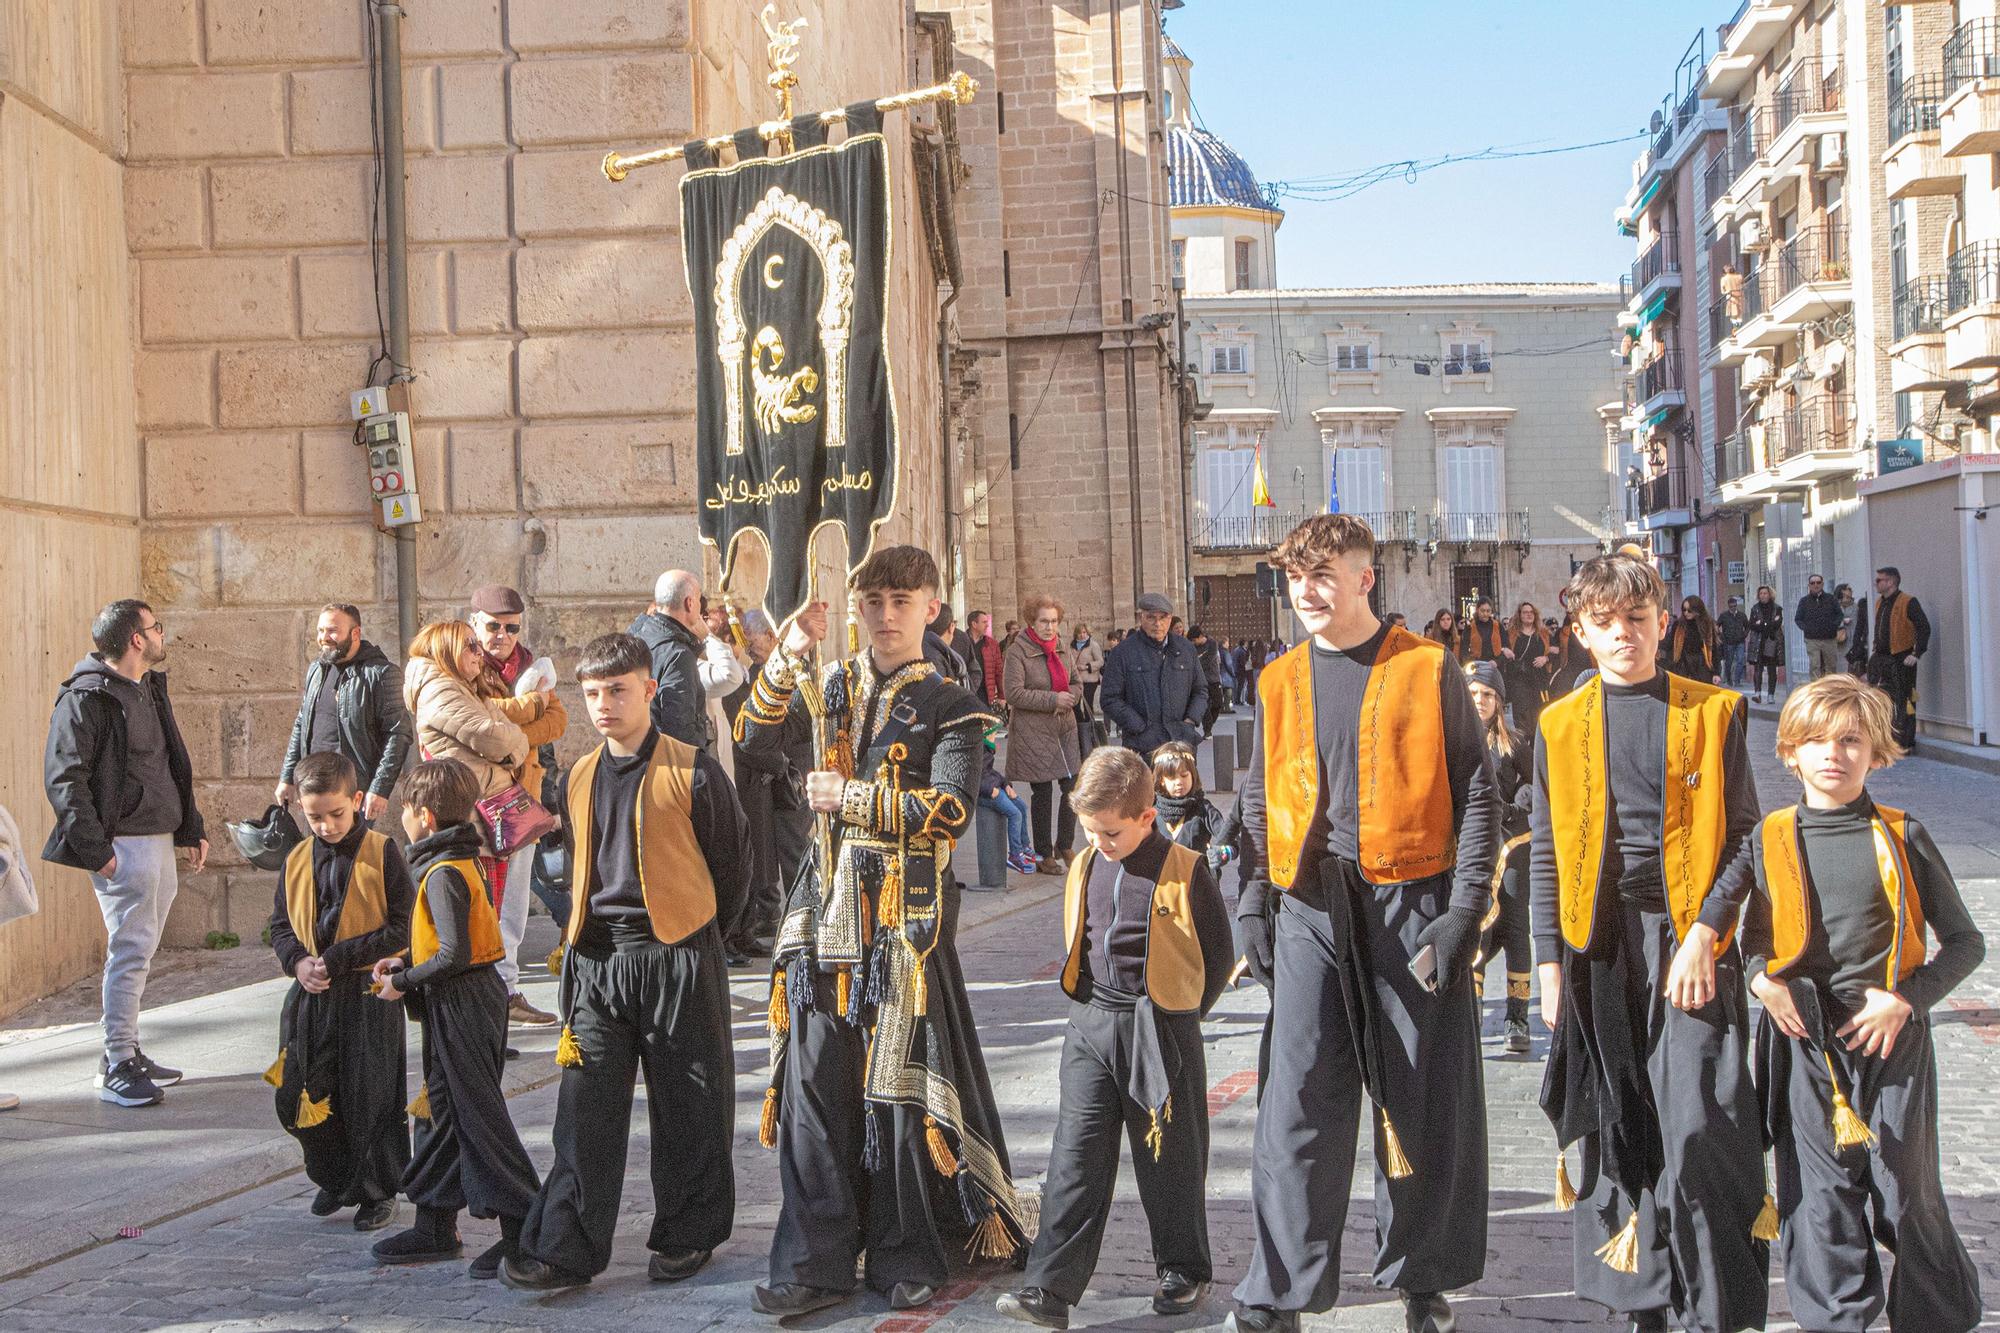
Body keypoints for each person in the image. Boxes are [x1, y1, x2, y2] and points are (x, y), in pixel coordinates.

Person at [738, 546, 1028, 1318]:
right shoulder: (828, 683)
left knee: (893, 1091)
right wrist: (786, 655)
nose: (888, 614)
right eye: (874, 600)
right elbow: (753, 738)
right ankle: (813, 1258)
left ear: (932, 605)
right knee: (812, 1089)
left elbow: (952, 810)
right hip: (821, 918)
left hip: (904, 923)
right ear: (857, 606)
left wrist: (855, 798)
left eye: (903, 599)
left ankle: (905, 1253)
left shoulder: (954, 703)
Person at [1227, 514, 1497, 1333]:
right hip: (1312, 905)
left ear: (1362, 578)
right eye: (1294, 577)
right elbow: (1254, 799)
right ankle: (1280, 1287)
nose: (1306, 592)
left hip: (1412, 903)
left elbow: (1478, 792)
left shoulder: (1428, 667)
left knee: (1419, 1097)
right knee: (1297, 1100)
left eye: (1322, 575)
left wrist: (1462, 915)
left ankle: (1424, 1279)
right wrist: (1250, 901)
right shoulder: (1278, 679)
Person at [1530, 548, 1768, 1333]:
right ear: (1582, 633)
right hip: (1597, 945)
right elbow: (1544, 846)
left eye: (1638, 618)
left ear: (1663, 621)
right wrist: (1545, 963)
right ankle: (1642, 1304)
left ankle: (1715, 1307)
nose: (1624, 633)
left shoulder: (1713, 712)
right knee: (1617, 1114)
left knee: (1702, 1121)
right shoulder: (1559, 724)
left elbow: (1746, 839)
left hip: (1689, 943)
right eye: (1606, 622)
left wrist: (1707, 933)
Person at [501, 632, 749, 1291]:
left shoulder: (693, 768)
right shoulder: (577, 774)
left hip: (677, 955)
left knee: (690, 1102)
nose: (605, 703)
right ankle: (566, 1247)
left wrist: (698, 938)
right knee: (583, 1110)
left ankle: (688, 1233)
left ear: (647, 689)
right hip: (597, 963)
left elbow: (734, 866)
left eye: (617, 689)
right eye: (592, 693)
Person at [1744, 676, 1985, 1333]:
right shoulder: (1773, 837)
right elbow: (1754, 944)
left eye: (1850, 739)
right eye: (1818, 739)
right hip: (1806, 1042)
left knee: (1903, 1191)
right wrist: (1763, 982)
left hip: (1891, 1039)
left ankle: (1937, 1314)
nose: (1834, 753)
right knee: (1821, 1198)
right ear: (1790, 751)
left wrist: (1905, 1001)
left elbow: (1966, 942)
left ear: (1875, 752)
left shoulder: (1904, 835)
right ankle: (1838, 1319)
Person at [995, 747, 1232, 1329]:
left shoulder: (1186, 867)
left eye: (1111, 832)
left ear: (1146, 817)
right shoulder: (1085, 861)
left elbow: (1220, 956)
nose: (1099, 840)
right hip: (1093, 1021)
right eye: (1090, 830)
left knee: (1169, 1154)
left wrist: (1181, 1013)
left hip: (1160, 1024)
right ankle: (1048, 1288)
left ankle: (1183, 1269)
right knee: (1075, 1154)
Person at [369, 758, 541, 1274]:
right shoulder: (458, 860)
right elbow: (448, 942)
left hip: (466, 1001)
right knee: (443, 1114)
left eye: (404, 810)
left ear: (423, 816)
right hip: (464, 999)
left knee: (478, 1118)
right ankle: (435, 1225)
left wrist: (400, 983)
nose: (401, 818)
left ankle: (526, 1226)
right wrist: (404, 958)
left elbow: (454, 954)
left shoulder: (444, 871)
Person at [42, 598, 208, 1109]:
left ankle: (125, 1047)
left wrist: (191, 827)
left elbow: (172, 761)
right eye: (155, 627)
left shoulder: (149, 689)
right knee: (131, 949)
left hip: (158, 836)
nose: (161, 634)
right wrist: (98, 852)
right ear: (137, 639)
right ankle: (116, 1061)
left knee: (142, 947)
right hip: (122, 845)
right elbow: (64, 779)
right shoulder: (86, 698)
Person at [265, 751, 413, 1233]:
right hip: (313, 995)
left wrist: (339, 958)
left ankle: (377, 1189)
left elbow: (403, 926)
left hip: (368, 995)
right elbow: (281, 926)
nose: (326, 826)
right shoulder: (295, 858)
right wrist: (298, 962)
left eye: (336, 814)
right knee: (301, 1092)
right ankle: (335, 1175)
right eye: (315, 818)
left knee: (368, 1095)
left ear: (357, 801)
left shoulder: (382, 850)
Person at [466, 586, 567, 1028]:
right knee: (475, 896)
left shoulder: (531, 665)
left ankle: (505, 990)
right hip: (472, 797)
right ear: (475, 623)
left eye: (511, 628)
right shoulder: (462, 662)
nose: (502, 635)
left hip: (521, 793)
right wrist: (529, 708)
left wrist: (512, 724)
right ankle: (475, 989)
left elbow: (558, 721)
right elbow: (478, 717)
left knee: (515, 898)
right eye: (493, 626)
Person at [720, 611, 814, 962]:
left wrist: (776, 757)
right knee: (765, 853)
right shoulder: (755, 675)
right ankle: (774, 913)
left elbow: (797, 727)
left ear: (773, 636)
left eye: (751, 636)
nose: (747, 644)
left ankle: (803, 917)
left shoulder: (798, 676)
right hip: (766, 777)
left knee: (793, 851)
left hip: (790, 777)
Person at [277, 603, 413, 825]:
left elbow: (398, 734)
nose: (324, 637)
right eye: (320, 631)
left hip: (353, 793)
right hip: (312, 788)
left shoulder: (381, 674)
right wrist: (287, 776)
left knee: (353, 857)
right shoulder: (317, 670)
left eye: (332, 630)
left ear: (355, 633)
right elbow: (302, 723)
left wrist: (379, 789)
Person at [1463, 661, 1533, 1057]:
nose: (1480, 702)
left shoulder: (1515, 742)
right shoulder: (1454, 738)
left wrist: (1518, 803)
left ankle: (1517, 1016)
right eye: (1473, 694)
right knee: (1477, 927)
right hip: (1473, 848)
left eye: (1487, 695)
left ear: (1498, 701)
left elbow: (1535, 784)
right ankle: (1471, 1012)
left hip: (1513, 844)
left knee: (1515, 928)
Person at [1003, 596, 1083, 877]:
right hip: (1034, 731)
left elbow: (1076, 682)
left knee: (1073, 784)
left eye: (1054, 621)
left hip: (1064, 728)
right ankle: (1043, 854)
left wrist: (1070, 697)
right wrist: (1052, 700)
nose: (1050, 627)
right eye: (1044, 621)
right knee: (1043, 791)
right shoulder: (1017, 651)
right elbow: (1013, 692)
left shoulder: (1062, 648)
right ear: (1031, 623)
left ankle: (1065, 844)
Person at [630, 569, 745, 751]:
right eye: (699, 600)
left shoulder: (635, 637)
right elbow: (681, 732)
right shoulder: (677, 654)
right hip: (668, 763)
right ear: (690, 603)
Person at [1100, 593, 1208, 756]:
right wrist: (1138, 726)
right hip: (1142, 746)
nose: (1157, 624)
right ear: (1141, 618)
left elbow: (1200, 690)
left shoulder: (1186, 649)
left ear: (1170, 619)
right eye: (1151, 617)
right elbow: (1109, 698)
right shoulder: (1123, 652)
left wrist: (1190, 721)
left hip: (1181, 742)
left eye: (1163, 618)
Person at [1867, 566, 1931, 753]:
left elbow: (1923, 628)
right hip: (1881, 658)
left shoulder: (1908, 602)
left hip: (1902, 658)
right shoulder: (1880, 602)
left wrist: (1916, 653)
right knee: (1880, 699)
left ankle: (1905, 742)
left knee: (1906, 700)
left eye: (1880, 580)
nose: (1876, 583)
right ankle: (1886, 739)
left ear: (1891, 582)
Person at [1150, 742, 1233, 869]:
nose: (1179, 782)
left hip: (1199, 884)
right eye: (1172, 778)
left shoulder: (1203, 809)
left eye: (1184, 776)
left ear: (1193, 776)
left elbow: (1232, 839)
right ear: (1161, 781)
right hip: (1162, 886)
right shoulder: (1152, 814)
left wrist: (1222, 853)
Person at [978, 728, 1037, 875]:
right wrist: (991, 790)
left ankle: (1024, 846)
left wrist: (1005, 784)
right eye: (993, 734)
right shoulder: (979, 750)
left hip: (993, 786)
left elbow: (990, 772)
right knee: (1015, 814)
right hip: (986, 792)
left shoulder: (987, 749)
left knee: (1021, 807)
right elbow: (975, 776)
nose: (995, 737)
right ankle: (1015, 854)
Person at [1501, 600, 1557, 735]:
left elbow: (1556, 652)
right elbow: (1499, 649)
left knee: (1539, 714)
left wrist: (1546, 658)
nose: (1529, 615)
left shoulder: (1543, 633)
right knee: (1522, 717)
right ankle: (1524, 748)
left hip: (1539, 681)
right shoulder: (1512, 633)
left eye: (1531, 612)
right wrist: (1504, 649)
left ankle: (1536, 747)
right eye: (1525, 612)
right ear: (1519, 615)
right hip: (1519, 680)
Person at [1795, 573, 1843, 680]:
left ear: (1822, 584)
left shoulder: (1831, 599)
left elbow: (1839, 615)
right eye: (1812, 583)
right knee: (1815, 666)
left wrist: (1834, 626)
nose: (1815, 585)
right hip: (1812, 640)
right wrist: (1807, 628)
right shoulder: (1804, 601)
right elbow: (1798, 619)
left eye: (1818, 582)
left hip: (1829, 639)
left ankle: (1830, 692)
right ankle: (1816, 692)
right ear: (1809, 585)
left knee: (1831, 666)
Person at [1664, 594, 1720, 684]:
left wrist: (1716, 673)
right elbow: (1670, 646)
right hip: (1683, 666)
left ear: (1697, 610)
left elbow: (1714, 649)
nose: (1686, 613)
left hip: (1702, 666)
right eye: (1684, 610)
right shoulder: (1678, 625)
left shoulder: (1707, 625)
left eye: (1689, 610)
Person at [1747, 585, 1785, 703]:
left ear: (1770, 595)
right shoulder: (1755, 609)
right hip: (1758, 642)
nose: (1763, 595)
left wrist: (1762, 624)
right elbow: (1752, 625)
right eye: (1761, 593)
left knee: (1772, 669)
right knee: (1758, 668)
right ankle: (1757, 693)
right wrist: (1766, 624)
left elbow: (1777, 623)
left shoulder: (1777, 608)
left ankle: (1770, 695)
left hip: (1771, 641)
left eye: (1765, 593)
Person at [1190, 625, 1225, 735]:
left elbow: (1208, 660)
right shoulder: (1192, 648)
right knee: (1205, 706)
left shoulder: (1212, 643)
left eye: (1194, 640)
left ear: (1201, 636)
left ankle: (1209, 724)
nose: (1193, 643)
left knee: (1218, 704)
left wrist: (1196, 665)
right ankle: (1207, 730)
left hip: (1214, 679)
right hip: (1201, 681)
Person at [967, 609, 1005, 709]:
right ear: (974, 624)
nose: (987, 625)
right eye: (984, 622)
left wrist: (1002, 695)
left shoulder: (992, 644)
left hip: (986, 694)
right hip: (966, 693)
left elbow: (999, 671)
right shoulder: (961, 641)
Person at [1070, 624, 1105, 717]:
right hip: (1076, 680)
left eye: (1084, 632)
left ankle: (1089, 727)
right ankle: (1081, 725)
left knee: (1088, 705)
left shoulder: (1093, 645)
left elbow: (1100, 661)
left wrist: (1086, 667)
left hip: (1090, 680)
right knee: (1075, 705)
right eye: (1079, 633)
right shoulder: (1071, 645)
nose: (1082, 635)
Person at [1717, 594, 1750, 690]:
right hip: (1728, 642)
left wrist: (1744, 634)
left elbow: (1747, 626)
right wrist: (1722, 636)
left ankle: (1737, 680)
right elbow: (1717, 625)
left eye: (1735, 606)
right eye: (1731, 606)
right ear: (1728, 606)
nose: (1733, 608)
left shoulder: (1741, 615)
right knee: (1729, 661)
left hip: (1740, 641)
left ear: (1737, 605)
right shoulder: (1724, 615)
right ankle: (1729, 680)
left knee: (1740, 660)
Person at [1835, 582, 1867, 675]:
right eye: (1848, 589)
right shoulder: (1835, 606)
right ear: (1842, 591)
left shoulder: (1856, 606)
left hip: (1853, 639)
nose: (1851, 591)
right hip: (1839, 640)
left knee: (1852, 668)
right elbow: (1829, 621)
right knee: (1840, 668)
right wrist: (1842, 621)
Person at [1462, 598, 1505, 663]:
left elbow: (1505, 646)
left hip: (1496, 665)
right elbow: (1464, 649)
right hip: (1477, 665)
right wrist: (1470, 662)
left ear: (1491, 611)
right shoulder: (1470, 627)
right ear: (1477, 610)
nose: (1485, 614)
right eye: (1482, 611)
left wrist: (1497, 661)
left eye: (1488, 611)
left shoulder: (1498, 626)